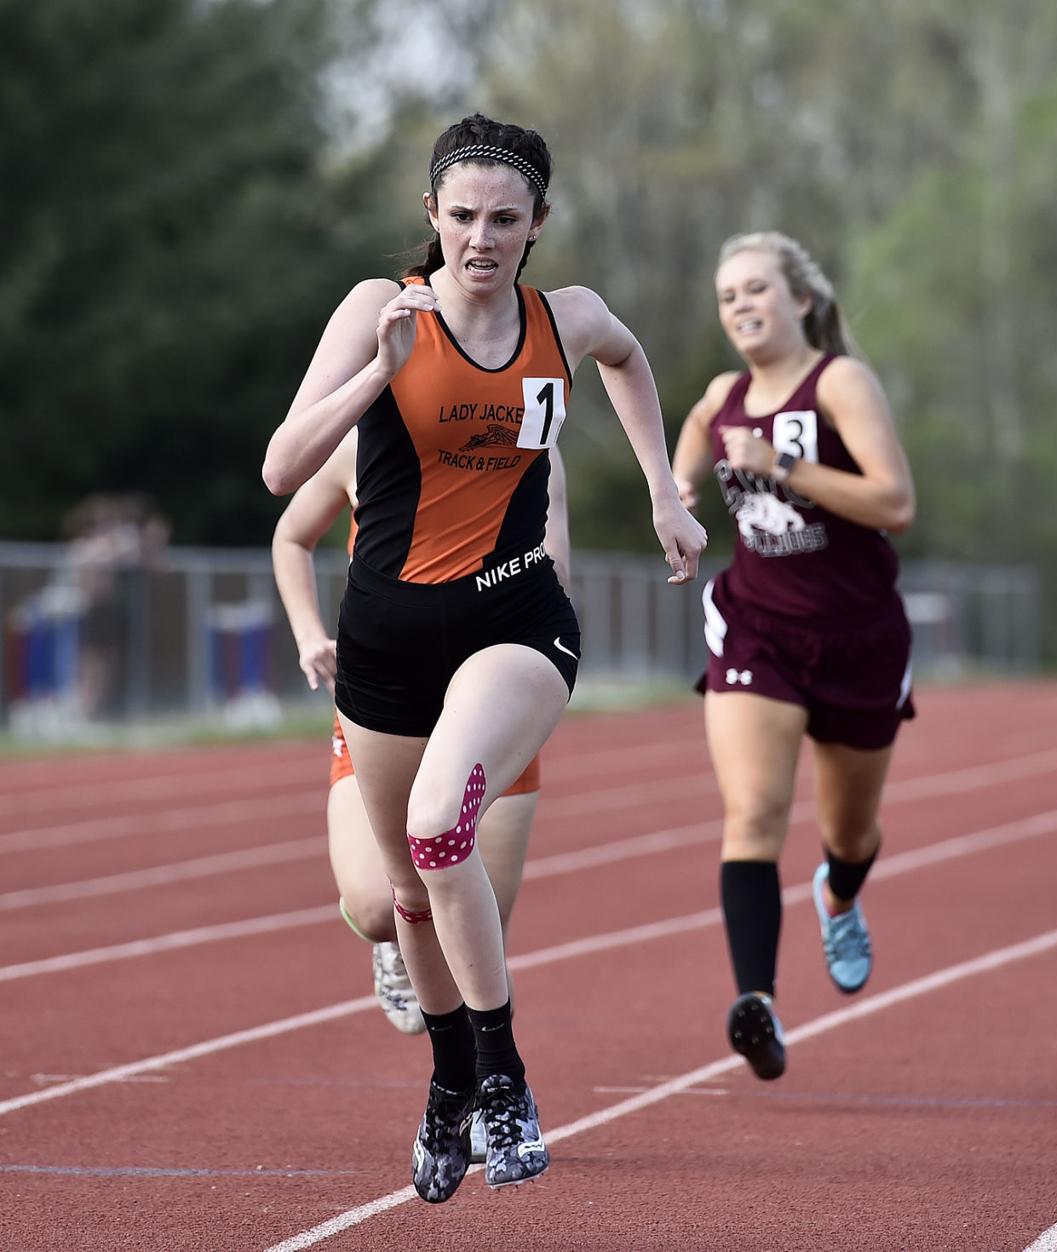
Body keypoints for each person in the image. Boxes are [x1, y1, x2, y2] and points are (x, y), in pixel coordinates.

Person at [262, 113, 706, 1201]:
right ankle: (450, 1080)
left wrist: (662, 490)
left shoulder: (568, 320)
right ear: (430, 216)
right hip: (383, 636)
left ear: (538, 225)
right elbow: (281, 472)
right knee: (404, 897)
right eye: (461, 215)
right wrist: (380, 368)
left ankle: (504, 1076)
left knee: (439, 828)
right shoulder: (377, 307)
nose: (481, 237)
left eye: (506, 219)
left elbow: (631, 359)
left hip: (514, 617)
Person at [671, 231, 915, 1082]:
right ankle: (758, 1004)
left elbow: (894, 501)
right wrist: (680, 494)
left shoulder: (839, 382)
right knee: (754, 813)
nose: (740, 306)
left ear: (801, 300)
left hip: (858, 638)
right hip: (757, 630)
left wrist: (782, 464)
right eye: (726, 295)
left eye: (755, 290)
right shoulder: (722, 395)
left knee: (848, 832)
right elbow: (694, 441)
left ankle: (839, 897)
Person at [270, 430, 571, 1038]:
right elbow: (291, 535)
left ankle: (486, 1100)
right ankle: (391, 943)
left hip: (491, 694)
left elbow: (555, 564)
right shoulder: (361, 438)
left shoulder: (531, 430)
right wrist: (308, 634)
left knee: (479, 941)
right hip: (385, 691)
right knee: (383, 906)